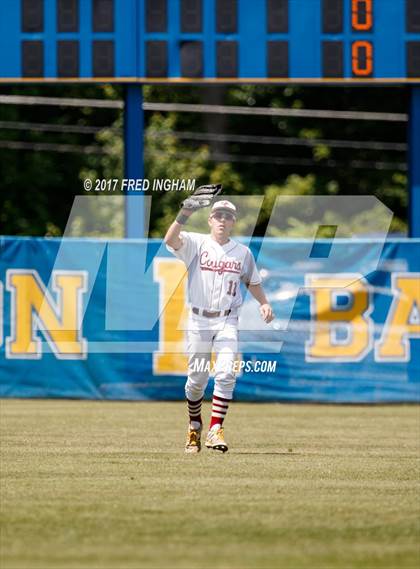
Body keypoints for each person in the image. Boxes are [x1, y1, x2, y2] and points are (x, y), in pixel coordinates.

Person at [164, 196, 274, 454]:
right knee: (197, 381)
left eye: (228, 216)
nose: (223, 220)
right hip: (199, 319)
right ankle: (194, 425)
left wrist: (264, 303)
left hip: (227, 319)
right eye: (219, 215)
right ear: (211, 219)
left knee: (226, 373)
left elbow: (252, 280)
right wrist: (184, 214)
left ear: (234, 222)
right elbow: (170, 240)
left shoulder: (242, 252)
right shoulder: (196, 243)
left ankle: (215, 429)